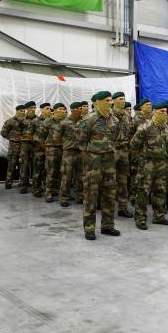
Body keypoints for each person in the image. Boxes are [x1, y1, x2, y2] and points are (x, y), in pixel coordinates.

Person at [79, 91, 120, 241]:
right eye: (106, 100)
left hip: (109, 161)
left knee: (109, 194)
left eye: (110, 100)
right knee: (91, 194)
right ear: (98, 102)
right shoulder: (89, 119)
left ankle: (107, 226)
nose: (110, 103)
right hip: (94, 161)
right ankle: (89, 228)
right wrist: (89, 161)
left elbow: (115, 139)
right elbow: (81, 143)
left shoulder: (114, 120)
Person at [130, 102, 168, 229]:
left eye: (165, 111)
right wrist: (142, 159)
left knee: (160, 190)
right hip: (147, 164)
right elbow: (134, 145)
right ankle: (140, 218)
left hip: (162, 163)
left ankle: (159, 216)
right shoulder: (145, 127)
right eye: (161, 111)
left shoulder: (166, 127)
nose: (164, 114)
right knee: (143, 191)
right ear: (155, 112)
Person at [111, 92, 133, 218]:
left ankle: (122, 207)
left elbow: (130, 132)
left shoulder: (127, 116)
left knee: (123, 180)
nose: (123, 101)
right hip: (111, 151)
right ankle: (104, 205)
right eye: (120, 99)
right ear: (114, 101)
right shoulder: (108, 115)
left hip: (124, 151)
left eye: (124, 99)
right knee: (108, 180)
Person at [58, 102, 83, 207]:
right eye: (77, 108)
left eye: (80, 108)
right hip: (69, 152)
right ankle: (64, 197)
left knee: (81, 176)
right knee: (66, 176)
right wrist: (65, 145)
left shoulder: (84, 121)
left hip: (81, 152)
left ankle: (80, 196)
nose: (80, 110)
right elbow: (57, 137)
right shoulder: (64, 122)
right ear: (72, 110)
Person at [42, 103, 66, 203]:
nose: (62, 111)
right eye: (60, 109)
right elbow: (41, 136)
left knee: (63, 172)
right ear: (55, 110)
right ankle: (49, 193)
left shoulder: (66, 121)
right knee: (51, 171)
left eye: (64, 109)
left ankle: (62, 193)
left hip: (64, 149)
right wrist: (47, 147)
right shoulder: (48, 122)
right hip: (52, 149)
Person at [0, 104, 25, 189]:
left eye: (24, 111)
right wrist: (12, 138)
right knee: (11, 165)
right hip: (13, 147)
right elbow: (3, 132)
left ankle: (22, 183)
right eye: (21, 111)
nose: (23, 112)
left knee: (23, 166)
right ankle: (8, 182)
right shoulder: (10, 121)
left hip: (23, 146)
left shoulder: (26, 121)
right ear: (17, 111)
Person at [30, 103, 51, 198]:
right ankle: (36, 189)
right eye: (47, 108)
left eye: (50, 109)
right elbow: (29, 134)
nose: (49, 110)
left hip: (51, 150)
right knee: (38, 171)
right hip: (39, 150)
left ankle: (49, 189)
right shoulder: (35, 121)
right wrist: (36, 141)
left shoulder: (53, 120)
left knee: (49, 171)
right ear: (41, 110)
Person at [18, 101, 37, 193]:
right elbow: (15, 132)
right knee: (24, 165)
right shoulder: (21, 119)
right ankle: (23, 184)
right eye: (31, 108)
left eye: (34, 108)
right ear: (26, 109)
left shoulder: (37, 119)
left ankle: (35, 184)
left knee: (35, 165)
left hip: (35, 145)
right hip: (25, 145)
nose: (33, 109)